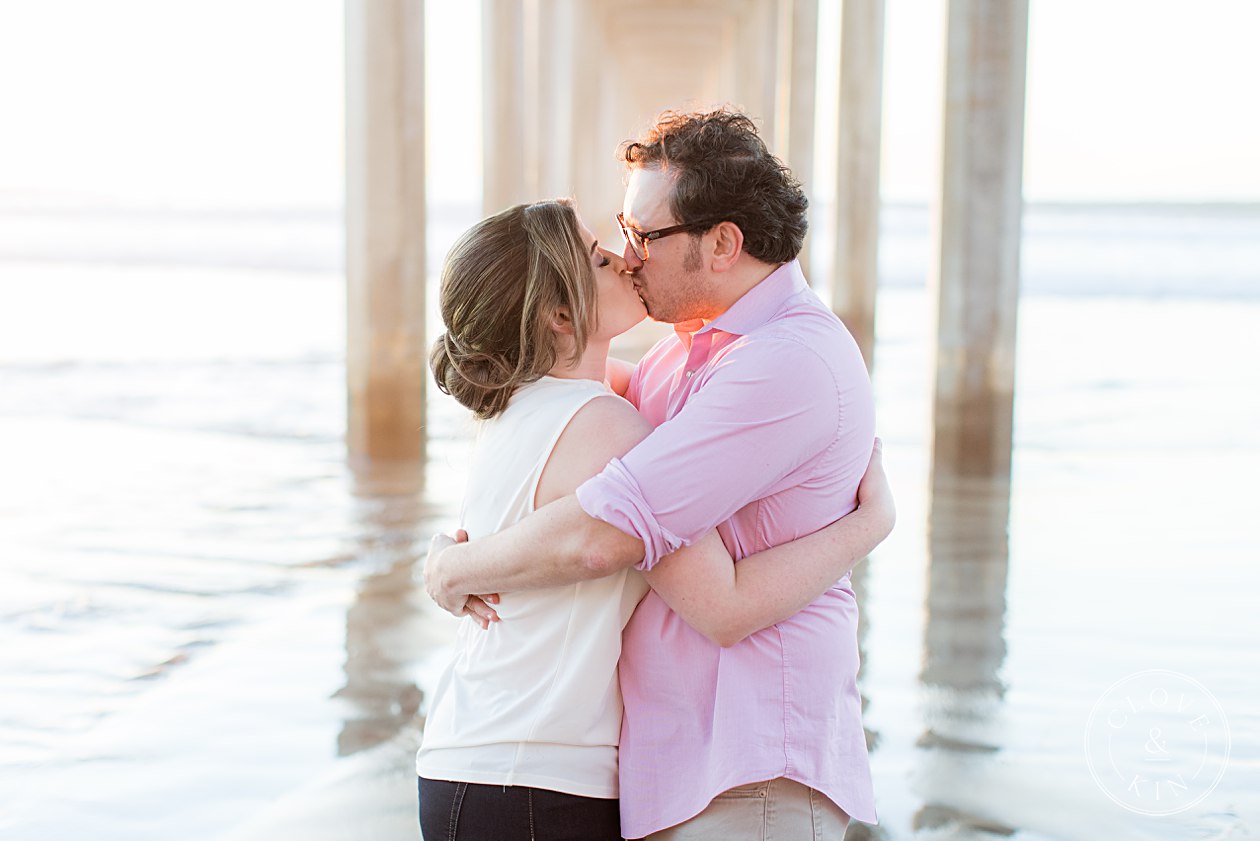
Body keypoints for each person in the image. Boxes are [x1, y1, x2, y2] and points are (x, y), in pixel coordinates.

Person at [416, 195, 893, 840]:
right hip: (539, 774)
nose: (623, 257)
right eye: (596, 255)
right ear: (560, 315)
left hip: (461, 755)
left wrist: (448, 565)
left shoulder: (513, 410)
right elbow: (722, 604)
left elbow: (660, 393)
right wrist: (867, 526)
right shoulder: (610, 429)